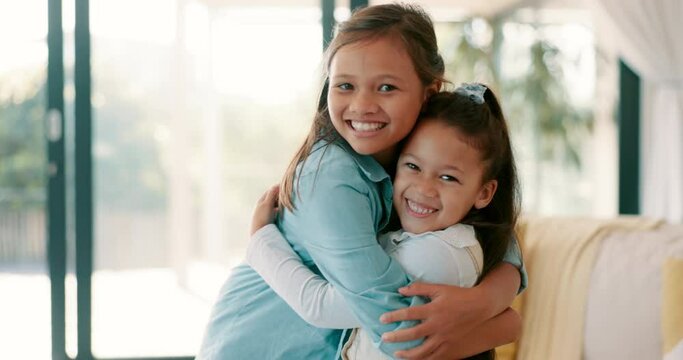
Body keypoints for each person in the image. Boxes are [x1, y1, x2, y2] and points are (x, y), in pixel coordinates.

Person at [197, 4, 526, 360]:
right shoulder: (332, 179)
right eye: (344, 85)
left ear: (428, 92)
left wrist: (483, 302)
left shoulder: (426, 149)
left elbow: (496, 239)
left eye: (386, 87)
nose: (362, 105)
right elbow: (399, 330)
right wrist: (504, 325)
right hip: (260, 347)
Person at [247, 84, 519, 360]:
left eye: (448, 177)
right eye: (413, 166)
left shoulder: (436, 257)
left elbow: (320, 306)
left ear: (484, 193)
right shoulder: (437, 237)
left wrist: (261, 240)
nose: (424, 189)